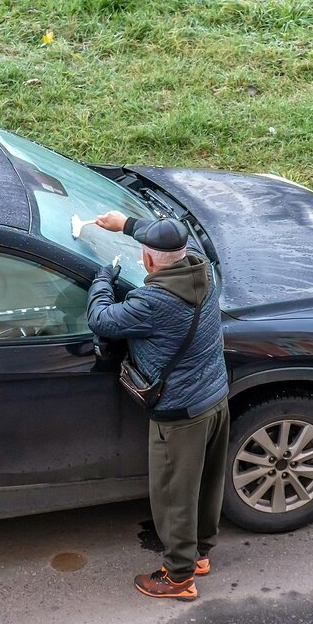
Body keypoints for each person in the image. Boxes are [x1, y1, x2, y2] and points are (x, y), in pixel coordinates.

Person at [87, 211, 228, 601]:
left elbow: (102, 319)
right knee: (206, 482)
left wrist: (102, 279)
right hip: (215, 399)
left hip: (179, 413)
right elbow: (179, 241)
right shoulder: (203, 269)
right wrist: (128, 225)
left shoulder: (153, 302)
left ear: (148, 261)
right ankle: (199, 554)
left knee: (173, 497)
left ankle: (179, 577)